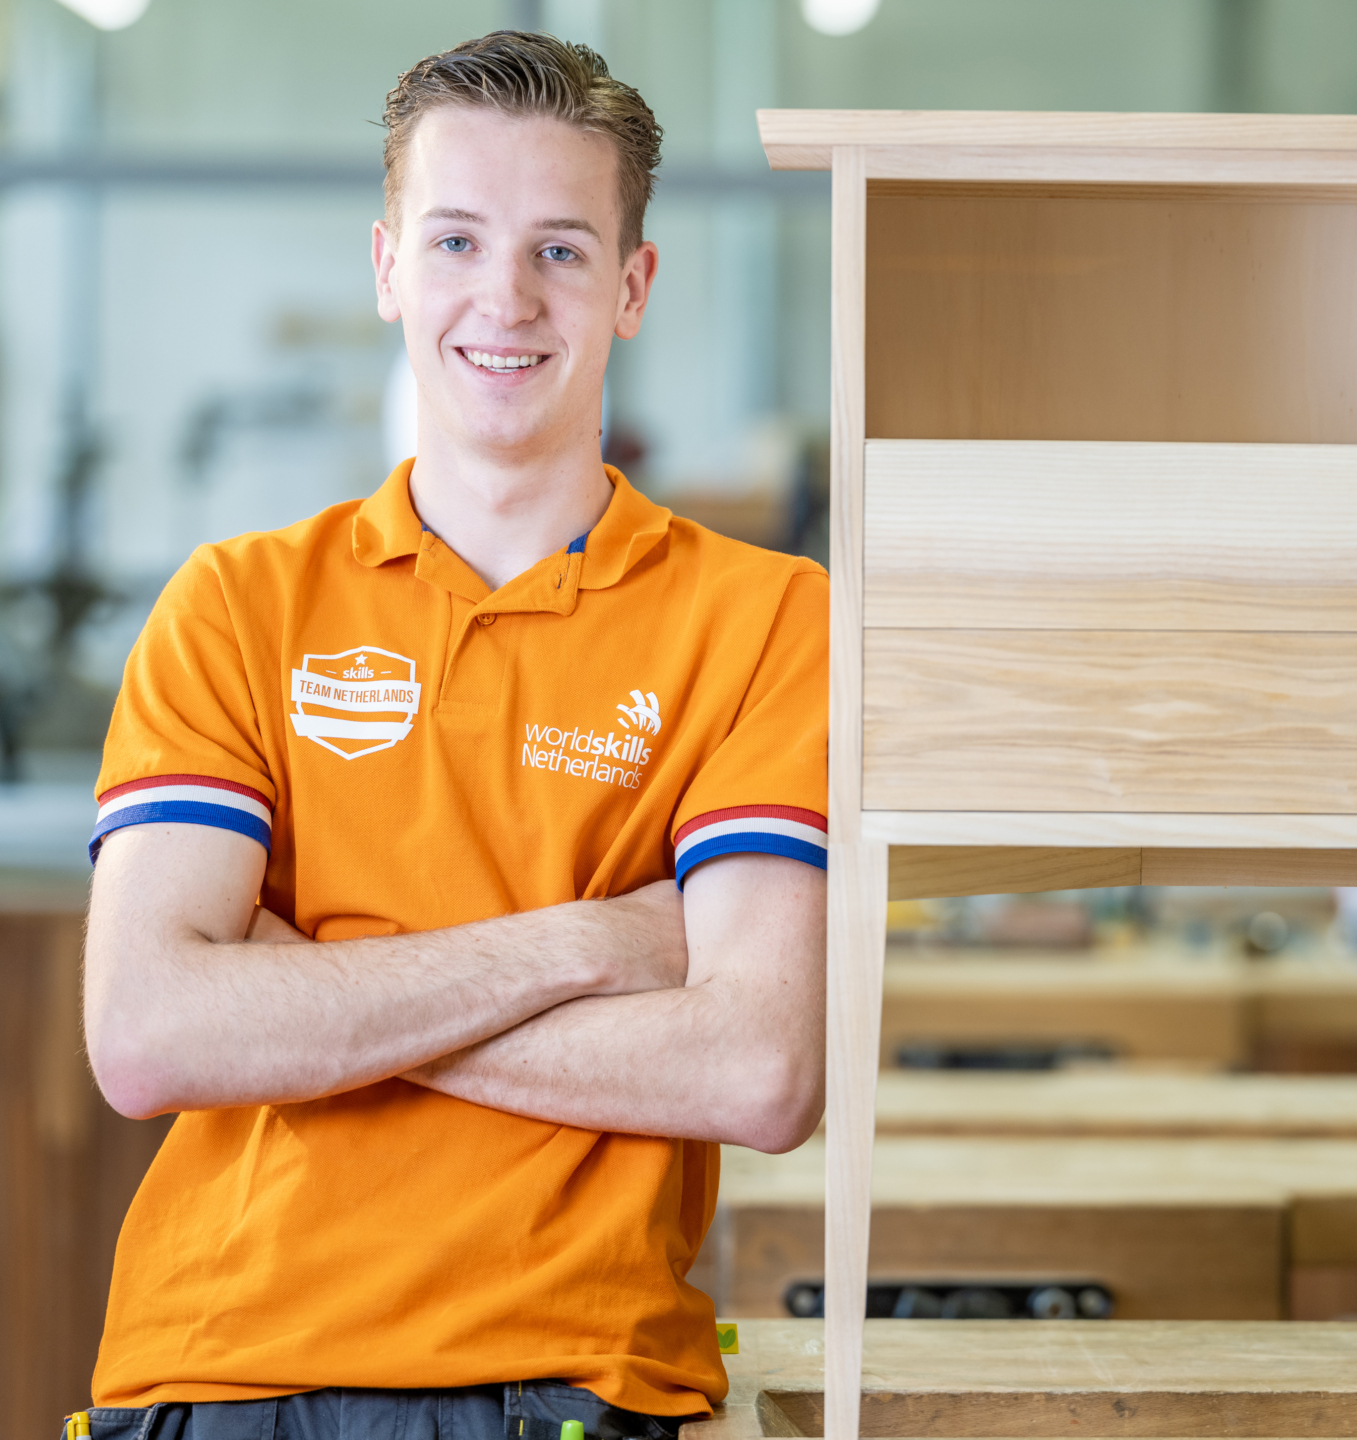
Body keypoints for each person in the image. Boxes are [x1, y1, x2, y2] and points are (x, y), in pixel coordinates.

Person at [74, 32, 827, 1440]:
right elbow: (146, 1035)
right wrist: (590, 949)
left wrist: (305, 1004)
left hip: (565, 1381)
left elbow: (757, 1070)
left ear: (632, 286)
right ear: (386, 269)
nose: (505, 296)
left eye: (559, 250)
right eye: (457, 240)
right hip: (218, 1365)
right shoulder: (237, 605)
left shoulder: (766, 620)